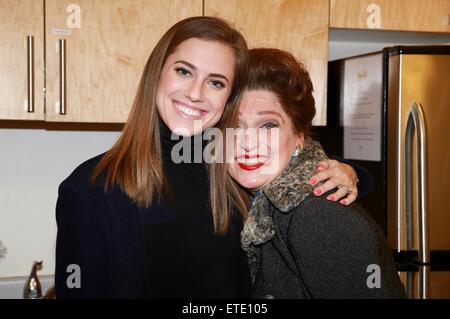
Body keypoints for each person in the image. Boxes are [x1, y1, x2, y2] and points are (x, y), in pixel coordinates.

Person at [55, 17, 359, 299]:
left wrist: (351, 173)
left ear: (228, 98)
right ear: (156, 73)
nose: (195, 93)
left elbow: (291, 171)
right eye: (183, 71)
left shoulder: (228, 172)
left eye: (216, 82)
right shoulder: (92, 188)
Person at [215, 48, 406, 298]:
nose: (247, 143)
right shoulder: (246, 203)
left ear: (299, 137)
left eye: (268, 125)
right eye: (234, 126)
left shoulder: (316, 215)